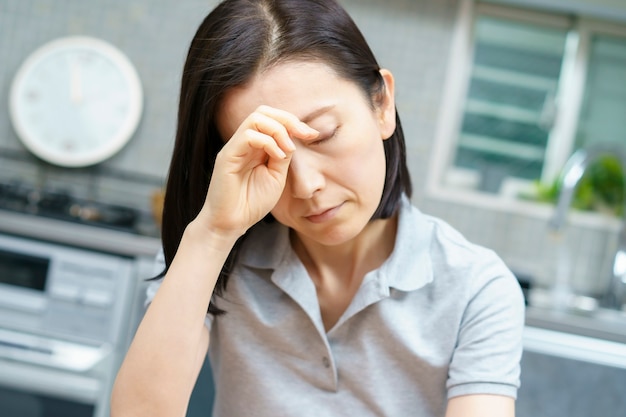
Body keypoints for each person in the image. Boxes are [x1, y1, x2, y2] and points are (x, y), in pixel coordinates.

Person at [111, 0, 525, 416]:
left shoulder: (476, 287)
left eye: (323, 135)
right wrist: (213, 234)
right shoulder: (212, 254)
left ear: (382, 105)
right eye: (266, 156)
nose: (307, 186)